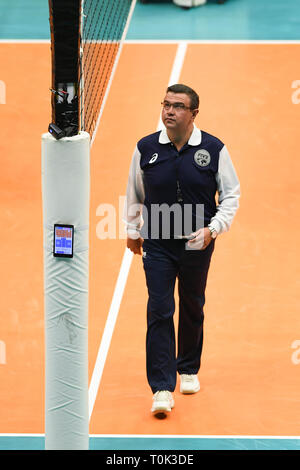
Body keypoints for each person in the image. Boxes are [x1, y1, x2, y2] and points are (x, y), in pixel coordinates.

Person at [124, 83, 240, 418]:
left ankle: (187, 367)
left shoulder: (213, 148)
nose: (169, 111)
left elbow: (230, 195)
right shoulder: (146, 148)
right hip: (158, 242)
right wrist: (132, 229)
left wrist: (213, 229)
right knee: (159, 309)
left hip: (196, 241)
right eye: (165, 104)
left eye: (177, 106)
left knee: (192, 303)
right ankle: (161, 388)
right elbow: (134, 191)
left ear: (193, 114)